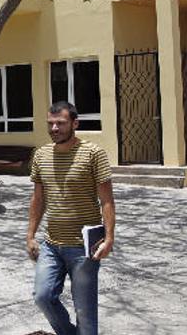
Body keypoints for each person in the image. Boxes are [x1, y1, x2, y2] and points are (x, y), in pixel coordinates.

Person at [27, 101, 115, 335]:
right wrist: (30, 236)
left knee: (85, 311)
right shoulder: (41, 155)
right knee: (42, 297)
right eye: (51, 124)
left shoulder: (93, 154)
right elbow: (38, 200)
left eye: (61, 123)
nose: (55, 128)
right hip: (51, 245)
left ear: (75, 123)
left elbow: (107, 200)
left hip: (84, 247)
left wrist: (109, 238)